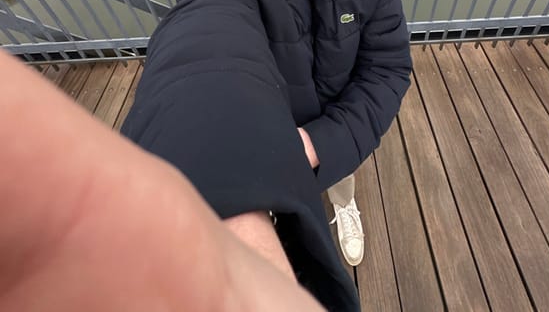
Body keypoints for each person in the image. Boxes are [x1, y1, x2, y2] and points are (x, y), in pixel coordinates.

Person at [121, 0, 413, 310]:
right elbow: (198, 43)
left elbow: (387, 65)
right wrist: (218, 169)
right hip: (265, 142)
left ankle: (343, 206)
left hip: (335, 129)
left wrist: (323, 141)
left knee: (341, 178)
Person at [0, 48, 324, 312]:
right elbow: (205, 24)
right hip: (269, 105)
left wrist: (323, 142)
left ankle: (341, 198)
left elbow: (377, 72)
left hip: (322, 115)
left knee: (336, 178)